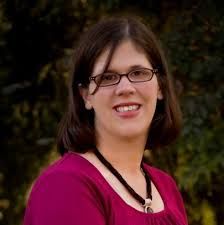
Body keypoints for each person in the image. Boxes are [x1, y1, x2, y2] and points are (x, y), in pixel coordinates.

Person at [23, 16, 188, 225]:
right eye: (107, 78)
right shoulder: (65, 184)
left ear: (161, 88)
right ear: (86, 96)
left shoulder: (167, 188)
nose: (126, 88)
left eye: (138, 73)